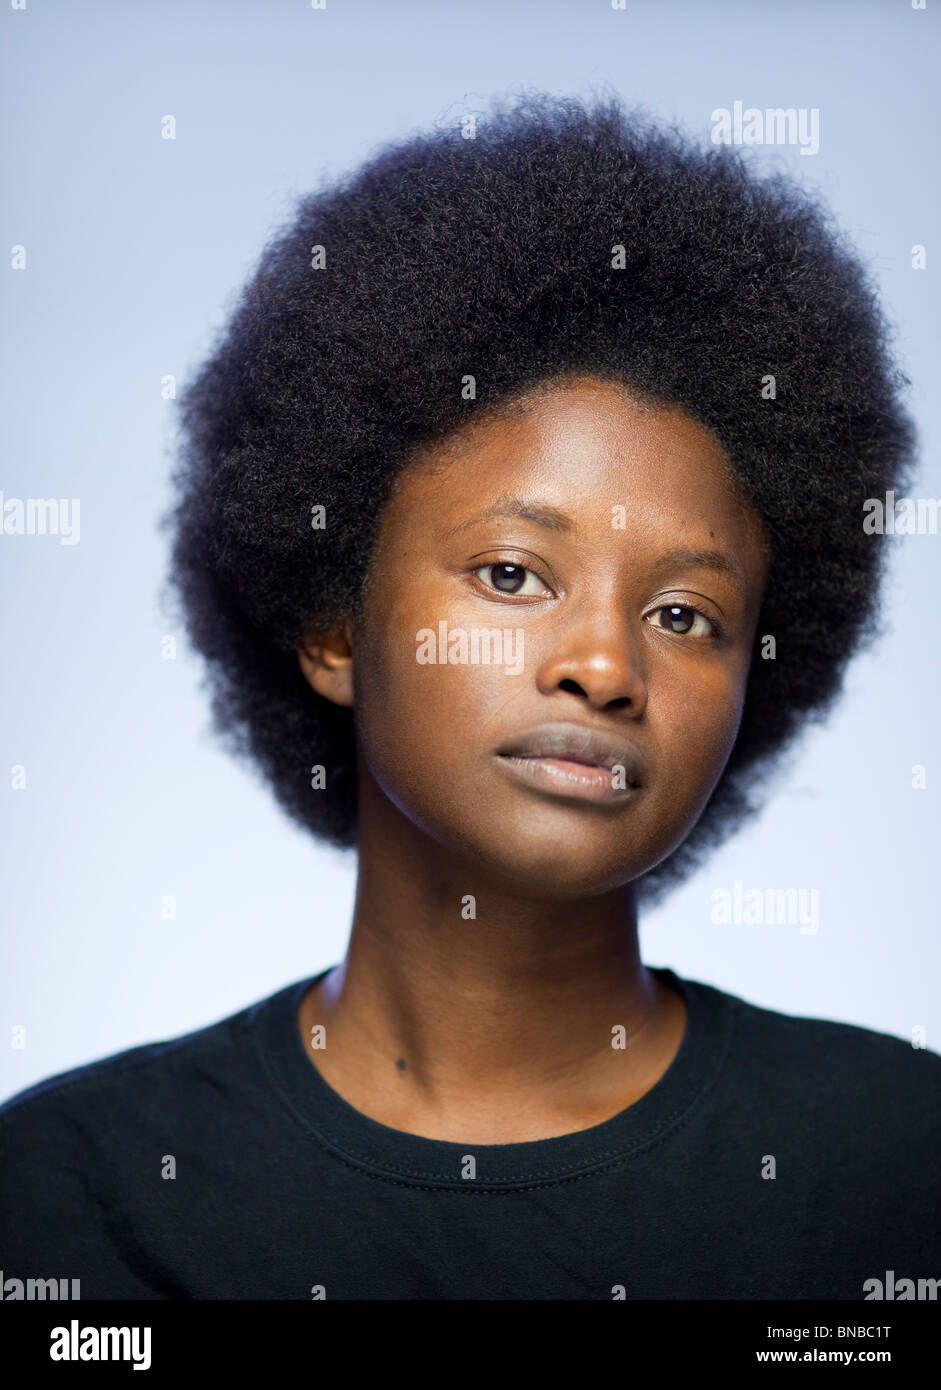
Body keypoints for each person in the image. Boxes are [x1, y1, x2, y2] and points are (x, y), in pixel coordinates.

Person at [1, 93, 937, 1301]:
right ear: (335, 624)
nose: (603, 666)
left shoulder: (893, 1171)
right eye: (510, 573)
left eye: (683, 616)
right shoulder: (75, 1200)